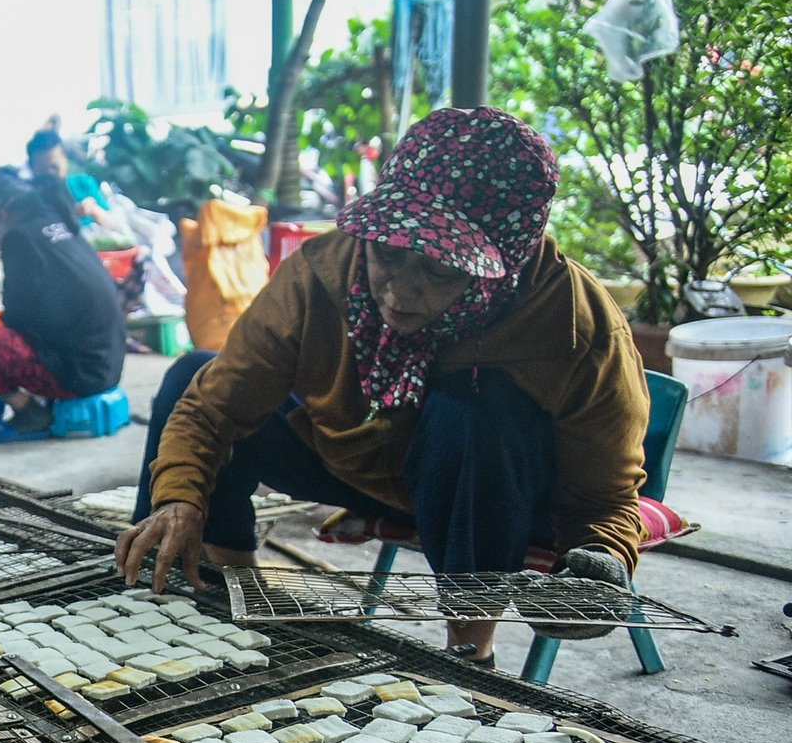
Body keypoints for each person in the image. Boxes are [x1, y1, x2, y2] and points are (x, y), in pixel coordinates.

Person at [118, 107, 648, 666]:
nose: (399, 290)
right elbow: (211, 410)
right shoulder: (323, 271)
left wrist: (599, 560)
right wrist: (177, 498)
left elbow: (605, 493)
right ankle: (221, 591)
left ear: (502, 261)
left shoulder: (572, 322)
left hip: (494, 492)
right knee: (191, 376)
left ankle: (471, 652)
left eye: (440, 270)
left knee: (471, 409)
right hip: (364, 461)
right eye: (387, 255)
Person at [0, 168, 127, 435]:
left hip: (79, 376)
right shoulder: (61, 223)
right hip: (106, 366)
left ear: (0, 214)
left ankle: (27, 411)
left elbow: (17, 316)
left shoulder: (21, 238)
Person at [26, 128, 124, 233]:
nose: (51, 174)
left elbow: (114, 226)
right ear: (32, 169)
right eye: (44, 170)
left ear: (65, 160)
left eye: (55, 167)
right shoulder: (32, 200)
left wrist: (93, 210)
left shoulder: (82, 182)